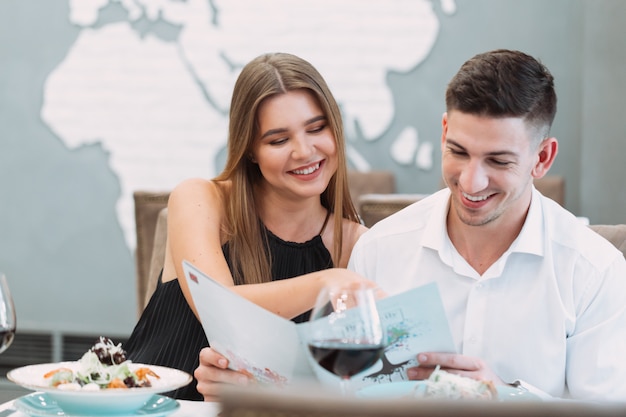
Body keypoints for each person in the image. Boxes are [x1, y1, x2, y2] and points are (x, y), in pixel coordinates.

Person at [348, 49, 626, 400]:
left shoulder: (594, 272)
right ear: (445, 130)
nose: (471, 182)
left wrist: (506, 397)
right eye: (459, 152)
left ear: (542, 158)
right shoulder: (378, 250)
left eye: (497, 160)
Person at [124, 52, 369, 400]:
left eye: (316, 128)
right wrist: (329, 282)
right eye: (278, 140)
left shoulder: (356, 245)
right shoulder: (200, 199)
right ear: (250, 150)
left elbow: (350, 383)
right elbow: (219, 309)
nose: (304, 151)